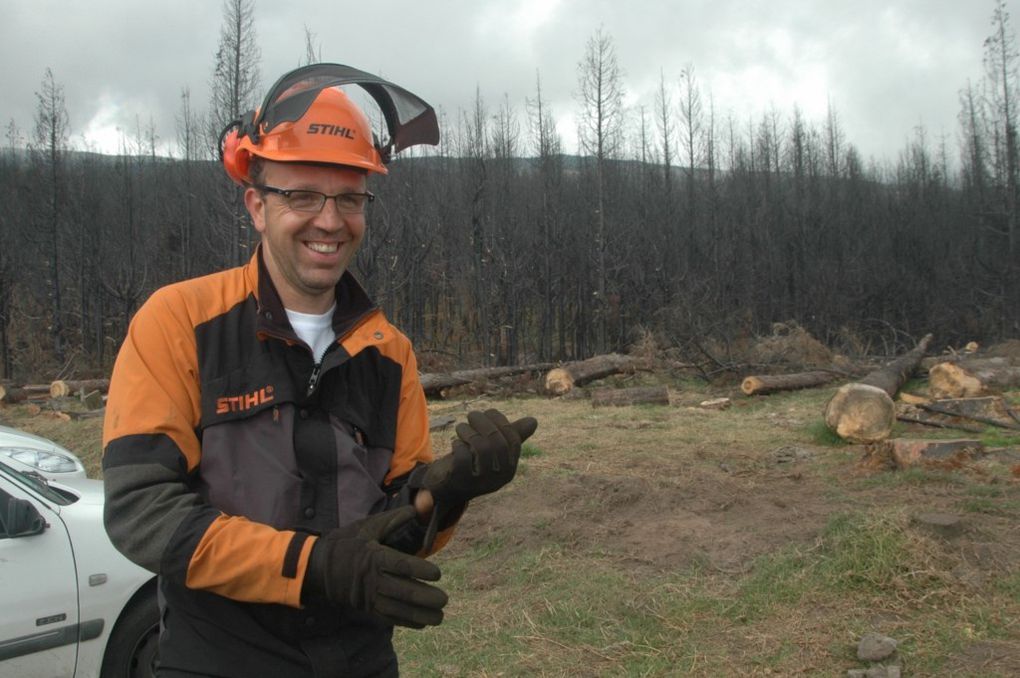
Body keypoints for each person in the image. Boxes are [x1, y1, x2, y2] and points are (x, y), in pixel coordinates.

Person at [102, 63, 537, 678]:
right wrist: (310, 566)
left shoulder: (389, 353)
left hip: (356, 662)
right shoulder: (179, 322)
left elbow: (393, 534)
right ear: (256, 205)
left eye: (349, 198)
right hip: (218, 661)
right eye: (301, 195)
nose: (330, 220)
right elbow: (141, 510)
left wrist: (448, 489)